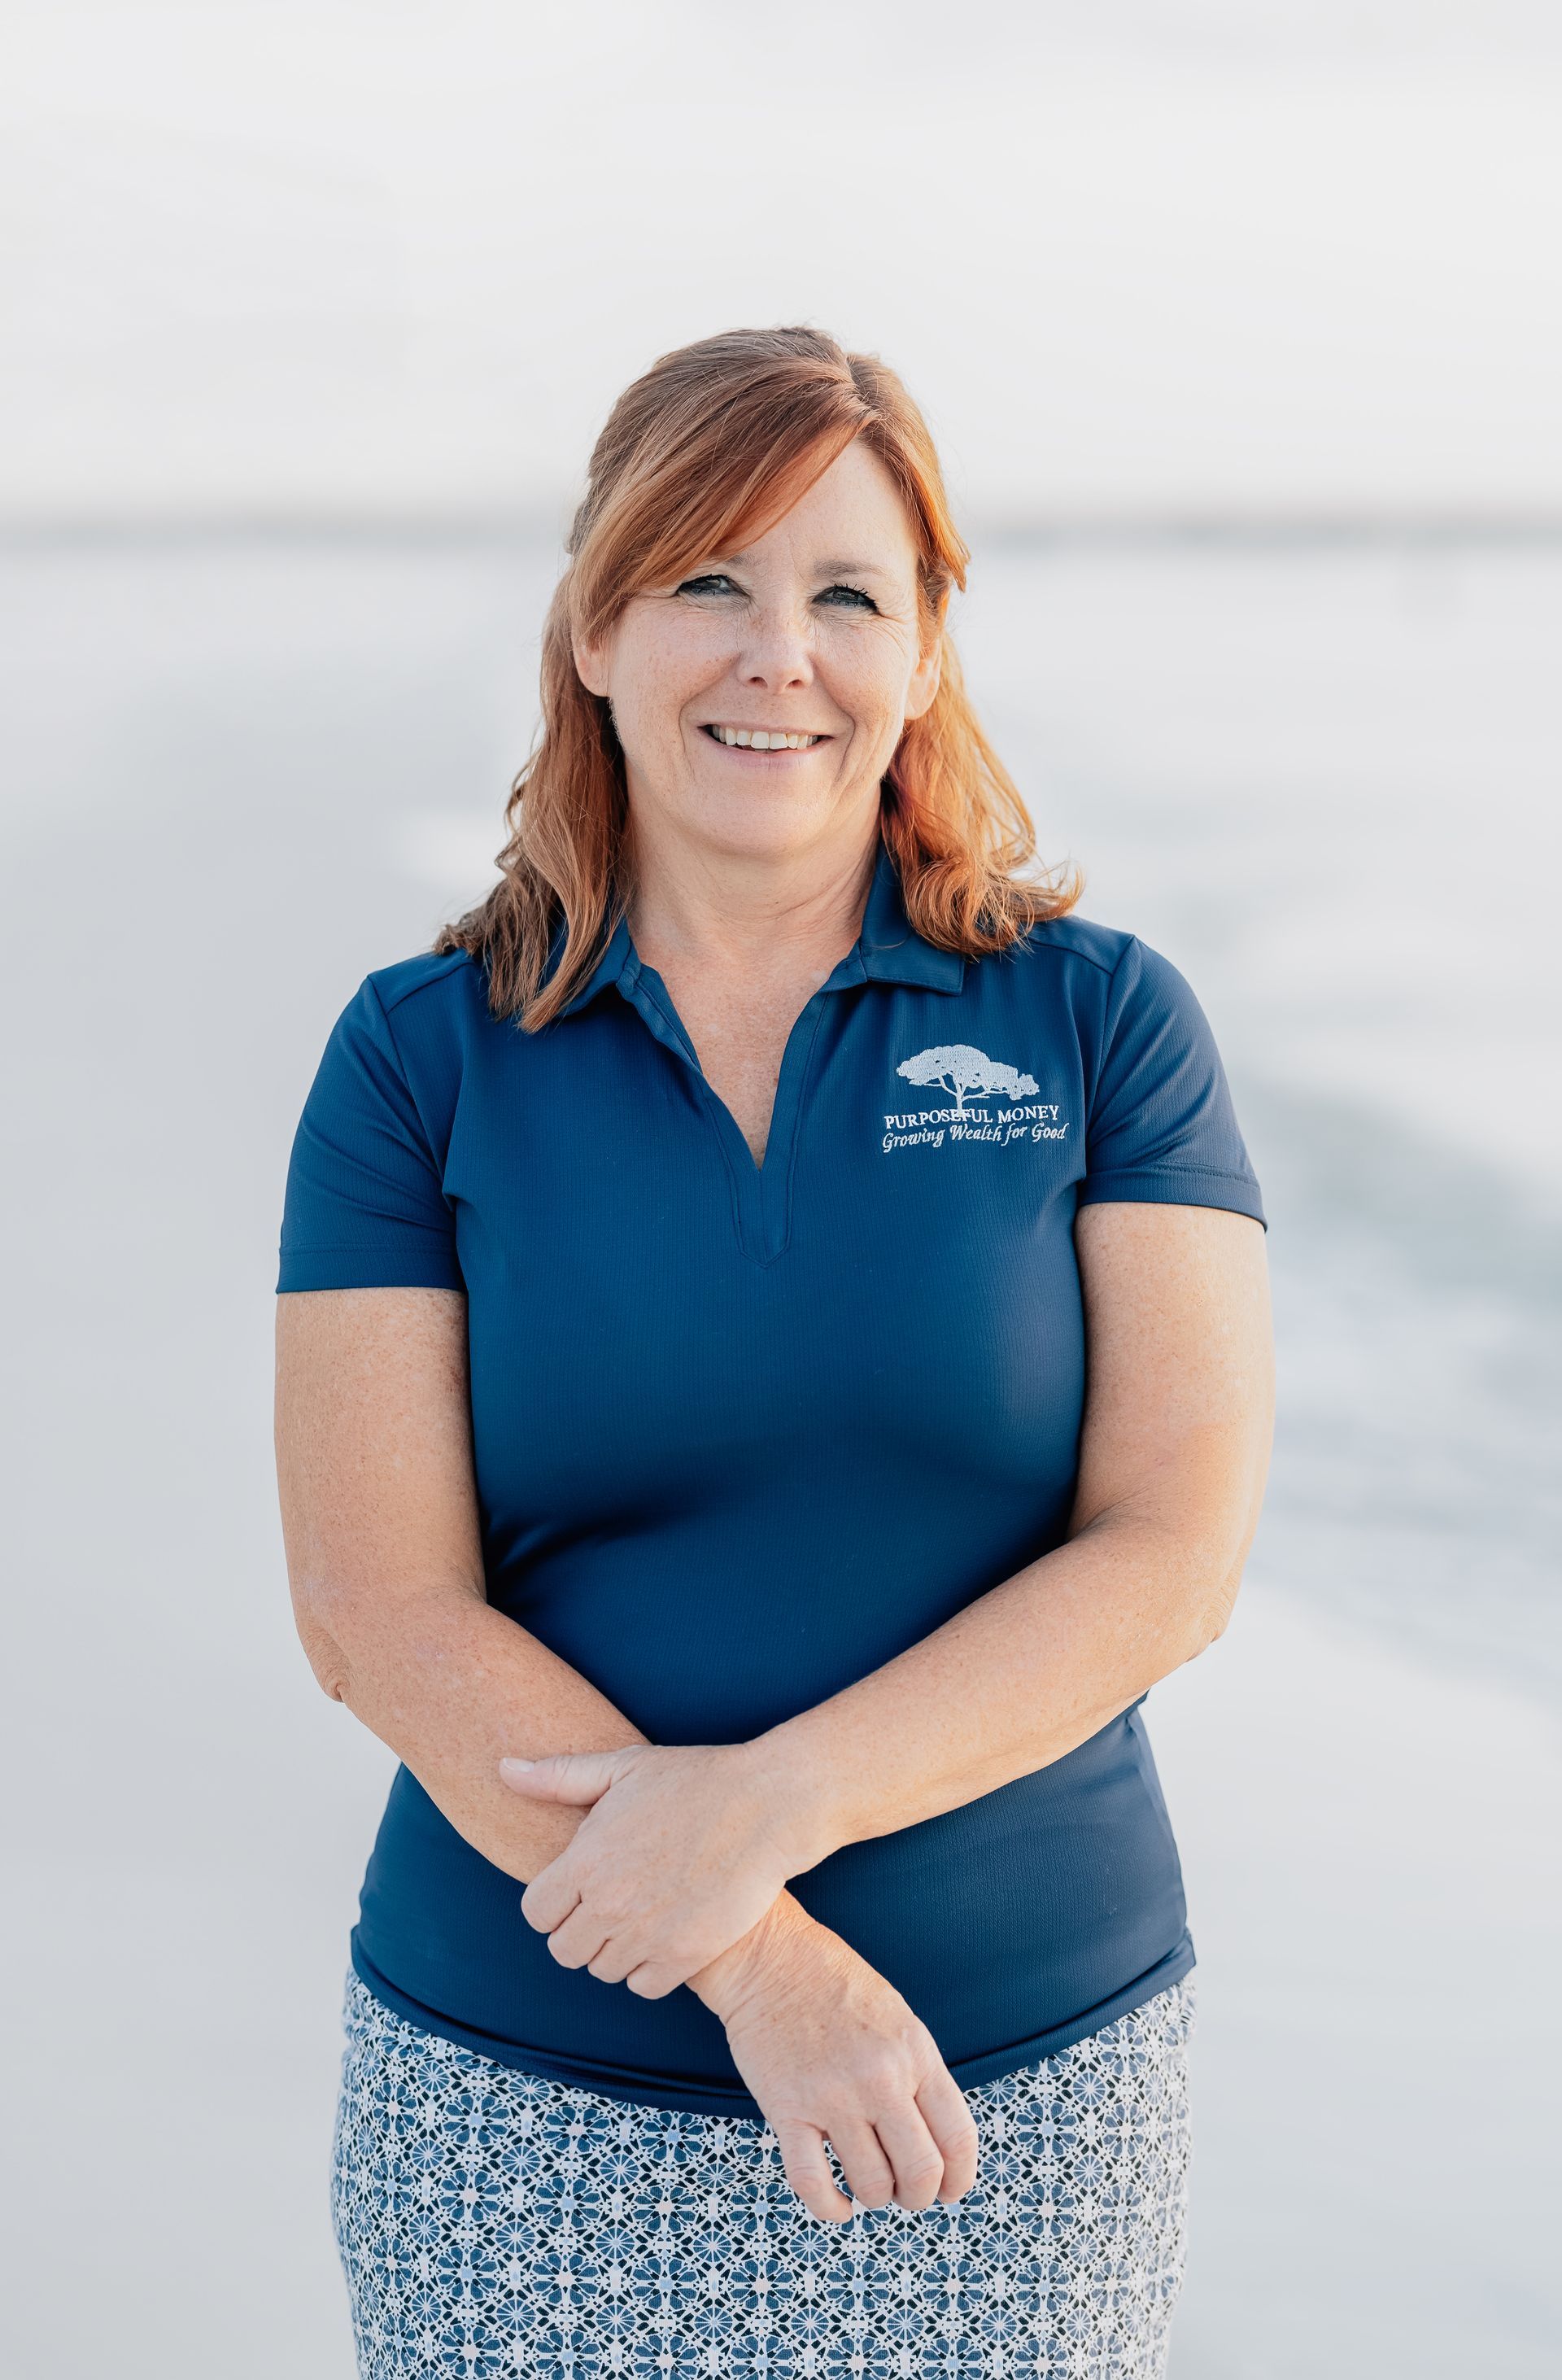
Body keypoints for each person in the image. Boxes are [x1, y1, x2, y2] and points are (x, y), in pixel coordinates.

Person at [273, 323, 1274, 2380]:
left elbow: (1172, 1547)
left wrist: (773, 1802)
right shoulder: (418, 1057)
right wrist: (760, 1957)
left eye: (846, 595)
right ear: (595, 625)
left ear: (924, 651)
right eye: (709, 580)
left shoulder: (1098, 1025)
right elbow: (376, 1607)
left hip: (1012, 2092)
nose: (775, 656)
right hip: (523, 2092)